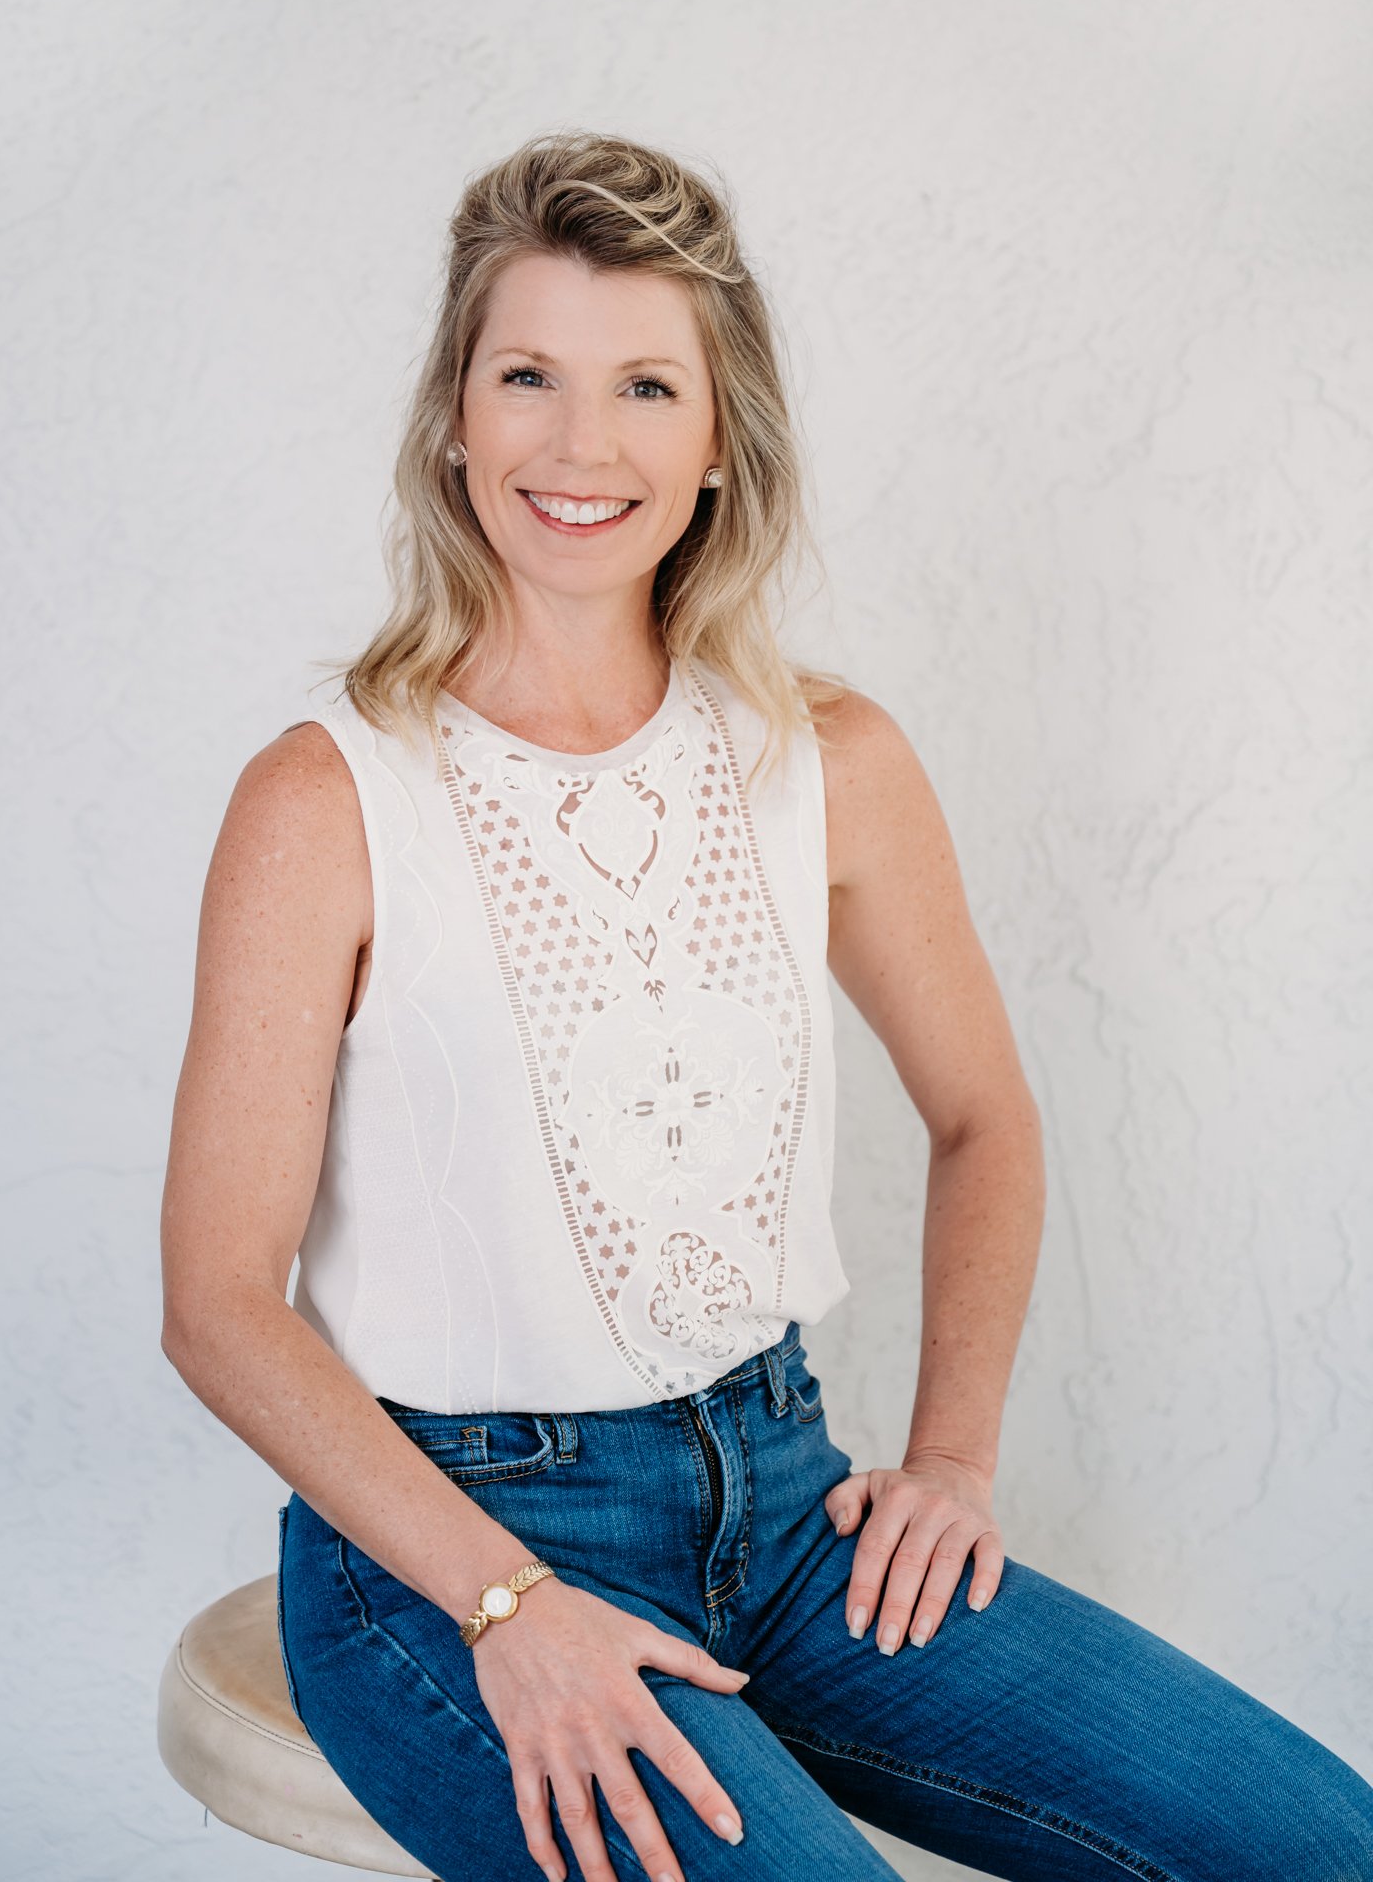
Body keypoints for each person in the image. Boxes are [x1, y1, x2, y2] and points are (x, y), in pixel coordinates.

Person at [160, 130, 1373, 1882]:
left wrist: (949, 1457)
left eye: (647, 385)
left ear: (721, 438)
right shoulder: (326, 800)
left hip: (794, 1507)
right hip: (443, 1549)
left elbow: (985, 1119)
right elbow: (218, 1304)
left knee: (1322, 1849)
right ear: (453, 418)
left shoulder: (834, 766)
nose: (584, 447)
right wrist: (512, 1605)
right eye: (529, 378)